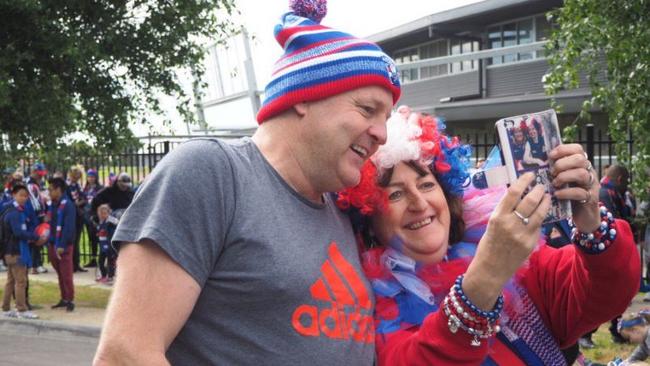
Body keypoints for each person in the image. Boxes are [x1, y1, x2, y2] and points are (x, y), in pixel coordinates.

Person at [93, 1, 400, 364]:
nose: (381, 134)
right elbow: (126, 353)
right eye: (367, 109)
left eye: (386, 117)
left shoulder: (344, 210)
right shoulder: (212, 173)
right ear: (304, 95)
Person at [336, 111, 639, 365]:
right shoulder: (369, 306)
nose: (419, 203)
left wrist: (591, 224)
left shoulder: (517, 261)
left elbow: (605, 295)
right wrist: (485, 279)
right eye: (396, 194)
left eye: (427, 185)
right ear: (369, 220)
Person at [2, 184, 47, 319]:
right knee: (21, 281)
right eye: (21, 195)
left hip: (9, 251)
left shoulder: (8, 210)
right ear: (14, 195)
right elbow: (19, 232)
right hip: (16, 251)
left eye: (26, 196)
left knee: (10, 281)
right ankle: (21, 309)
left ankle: (5, 308)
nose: (24, 198)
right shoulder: (15, 213)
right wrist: (36, 237)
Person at [47, 177, 76, 312]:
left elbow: (69, 227)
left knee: (66, 274)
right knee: (59, 273)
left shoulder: (68, 204)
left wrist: (62, 245)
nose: (49, 192)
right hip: (53, 243)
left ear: (58, 190)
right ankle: (63, 298)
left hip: (63, 245)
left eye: (51, 190)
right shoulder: (53, 204)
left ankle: (70, 300)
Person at [26, 163, 47, 275]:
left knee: (36, 240)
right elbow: (36, 203)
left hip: (35, 216)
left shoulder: (36, 185)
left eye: (42, 175)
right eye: (39, 174)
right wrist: (41, 215)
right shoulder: (31, 186)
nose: (41, 177)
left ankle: (36, 264)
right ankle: (35, 265)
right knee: (35, 240)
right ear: (33, 172)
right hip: (34, 216)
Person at [67, 166, 88, 273]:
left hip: (79, 215)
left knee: (77, 240)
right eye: (75, 176)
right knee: (72, 240)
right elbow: (69, 201)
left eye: (78, 176)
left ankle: (77, 263)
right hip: (72, 215)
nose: (76, 178)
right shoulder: (67, 186)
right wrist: (78, 203)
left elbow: (84, 198)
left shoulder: (78, 186)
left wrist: (79, 203)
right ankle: (71, 264)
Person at [82, 169, 104, 268]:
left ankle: (102, 259)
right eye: (89, 176)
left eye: (93, 177)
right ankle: (93, 258)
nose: (91, 178)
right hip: (87, 216)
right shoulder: (85, 189)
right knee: (91, 238)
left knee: (100, 237)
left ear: (96, 178)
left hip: (96, 216)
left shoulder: (100, 188)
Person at [95, 204, 117, 284]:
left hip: (109, 245)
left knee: (110, 261)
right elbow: (101, 230)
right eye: (101, 213)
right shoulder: (101, 221)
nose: (102, 215)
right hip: (102, 244)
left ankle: (110, 277)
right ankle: (104, 275)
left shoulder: (111, 222)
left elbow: (112, 233)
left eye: (104, 213)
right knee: (100, 261)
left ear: (108, 213)